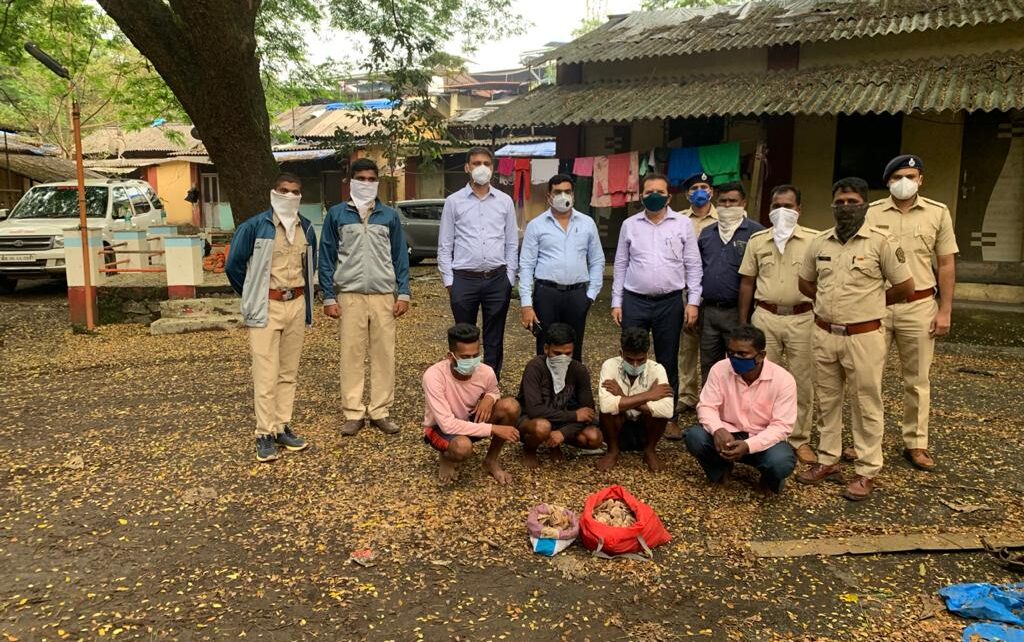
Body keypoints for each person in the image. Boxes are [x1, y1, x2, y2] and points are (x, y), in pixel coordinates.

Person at [796, 177, 914, 501]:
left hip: (863, 336)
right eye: (840, 202)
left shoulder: (881, 243)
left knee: (865, 404)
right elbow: (805, 283)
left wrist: (870, 305)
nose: (846, 207)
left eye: (852, 202)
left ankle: (866, 469)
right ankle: (828, 460)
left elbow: (905, 287)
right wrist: (827, 304)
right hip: (824, 333)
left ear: (865, 205)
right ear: (832, 205)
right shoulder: (819, 243)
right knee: (827, 401)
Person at [860, 154, 959, 471]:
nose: (904, 182)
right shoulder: (871, 212)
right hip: (878, 305)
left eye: (911, 176)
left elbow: (946, 263)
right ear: (888, 181)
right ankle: (866, 441)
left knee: (917, 380)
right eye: (897, 177)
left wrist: (945, 310)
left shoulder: (937, 213)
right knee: (867, 377)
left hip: (919, 306)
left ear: (921, 180)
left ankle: (916, 443)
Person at [225, 172, 317, 463]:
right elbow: (233, 265)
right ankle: (264, 432)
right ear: (273, 192)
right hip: (267, 305)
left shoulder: (306, 228)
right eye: (283, 190)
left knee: (288, 372)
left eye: (295, 191)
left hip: (296, 303)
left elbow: (309, 266)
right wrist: (252, 295)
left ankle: (281, 426)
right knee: (265, 372)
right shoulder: (254, 227)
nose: (289, 196)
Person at [319, 158, 410, 437]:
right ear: (350, 181)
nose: (366, 184)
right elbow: (326, 257)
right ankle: (353, 412)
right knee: (351, 354)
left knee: (384, 354)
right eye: (361, 179)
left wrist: (403, 292)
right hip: (350, 295)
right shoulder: (337, 215)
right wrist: (328, 296)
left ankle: (380, 410)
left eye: (372, 179)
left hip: (383, 295)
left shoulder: (389, 215)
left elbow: (400, 256)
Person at [611, 172, 702, 438]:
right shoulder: (629, 225)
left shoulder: (683, 224)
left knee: (667, 359)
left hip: (669, 302)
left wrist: (693, 302)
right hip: (635, 300)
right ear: (641, 196)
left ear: (668, 197)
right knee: (631, 356)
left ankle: (668, 416)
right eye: (649, 192)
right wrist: (617, 301)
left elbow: (693, 265)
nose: (654, 196)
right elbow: (621, 264)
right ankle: (629, 411)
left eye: (660, 192)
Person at [738, 184, 819, 464]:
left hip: (802, 317)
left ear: (799, 209)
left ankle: (799, 438)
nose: (781, 211)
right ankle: (763, 434)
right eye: (776, 206)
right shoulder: (758, 241)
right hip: (765, 316)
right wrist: (743, 323)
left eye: (788, 206)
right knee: (760, 378)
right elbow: (747, 282)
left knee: (801, 381)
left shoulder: (814, 241)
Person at [684, 325, 798, 494]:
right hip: (728, 435)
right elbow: (706, 406)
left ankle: (769, 479)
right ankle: (721, 469)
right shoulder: (720, 369)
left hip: (763, 439)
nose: (734, 358)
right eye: (731, 353)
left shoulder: (783, 380)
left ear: (761, 355)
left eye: (742, 354)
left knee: (781, 461)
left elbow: (781, 426)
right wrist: (718, 429)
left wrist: (749, 445)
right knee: (694, 436)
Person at [437, 146, 518, 379]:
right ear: (467, 167)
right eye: (476, 163)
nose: (481, 168)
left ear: (493, 168)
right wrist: (450, 282)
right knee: (464, 337)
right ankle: (464, 383)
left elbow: (512, 243)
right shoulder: (453, 202)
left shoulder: (505, 201)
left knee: (494, 338)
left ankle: (490, 385)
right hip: (464, 279)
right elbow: (445, 245)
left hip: (497, 279)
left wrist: (509, 278)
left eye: (486, 163)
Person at [518, 174, 604, 361]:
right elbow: (526, 266)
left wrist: (590, 295)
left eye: (567, 191)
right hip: (546, 295)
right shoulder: (536, 225)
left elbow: (597, 260)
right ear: (549, 196)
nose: (563, 196)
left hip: (577, 295)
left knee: (574, 347)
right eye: (557, 192)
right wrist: (526, 304)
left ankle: (572, 380)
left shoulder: (587, 223)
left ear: (573, 194)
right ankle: (545, 380)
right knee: (545, 346)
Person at [422, 323, 521, 484]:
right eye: (465, 357)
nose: (472, 361)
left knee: (511, 406)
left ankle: (491, 461)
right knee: (462, 447)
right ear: (450, 356)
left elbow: (494, 391)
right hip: (439, 428)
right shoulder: (434, 376)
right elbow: (447, 425)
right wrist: (494, 429)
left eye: (475, 355)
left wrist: (489, 398)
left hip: (470, 419)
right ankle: (446, 456)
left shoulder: (486, 371)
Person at [697, 181, 765, 385]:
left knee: (741, 364)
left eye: (733, 201)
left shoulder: (756, 233)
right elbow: (698, 270)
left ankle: (740, 401)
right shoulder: (707, 233)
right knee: (709, 364)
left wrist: (745, 319)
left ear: (743, 203)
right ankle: (710, 401)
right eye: (723, 201)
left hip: (738, 311)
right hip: (709, 311)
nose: (727, 206)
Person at [516, 323, 603, 469]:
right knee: (542, 427)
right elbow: (534, 410)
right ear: (546, 349)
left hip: (561, 421)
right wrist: (574, 416)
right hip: (532, 420)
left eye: (568, 354)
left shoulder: (579, 370)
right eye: (557, 353)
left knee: (594, 437)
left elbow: (588, 412)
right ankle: (529, 449)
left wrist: (563, 432)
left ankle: (555, 442)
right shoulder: (535, 367)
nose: (562, 358)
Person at [596, 327, 675, 472]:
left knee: (659, 415)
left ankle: (650, 450)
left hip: (645, 425)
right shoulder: (609, 365)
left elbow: (667, 411)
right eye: (629, 359)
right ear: (621, 353)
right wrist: (649, 395)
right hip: (617, 425)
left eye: (640, 360)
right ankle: (612, 450)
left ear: (647, 355)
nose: (635, 365)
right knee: (608, 412)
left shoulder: (657, 369)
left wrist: (622, 397)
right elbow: (606, 406)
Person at [676, 172, 719, 423]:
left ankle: (711, 396)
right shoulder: (679, 220)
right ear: (687, 194)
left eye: (704, 186)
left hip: (714, 291)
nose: (699, 191)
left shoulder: (725, 219)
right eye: (694, 188)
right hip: (686, 291)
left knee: (713, 348)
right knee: (687, 345)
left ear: (711, 191)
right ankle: (687, 394)